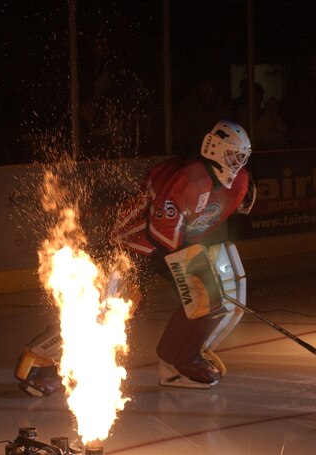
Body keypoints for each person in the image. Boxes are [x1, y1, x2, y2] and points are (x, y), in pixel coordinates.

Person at [15, 119, 256, 397]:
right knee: (107, 311)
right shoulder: (190, 178)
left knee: (206, 298)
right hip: (131, 246)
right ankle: (38, 362)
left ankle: (178, 362)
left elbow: (201, 223)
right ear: (212, 148)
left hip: (167, 247)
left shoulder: (238, 182)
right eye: (231, 154)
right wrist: (193, 260)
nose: (236, 162)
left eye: (241, 156)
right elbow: (160, 230)